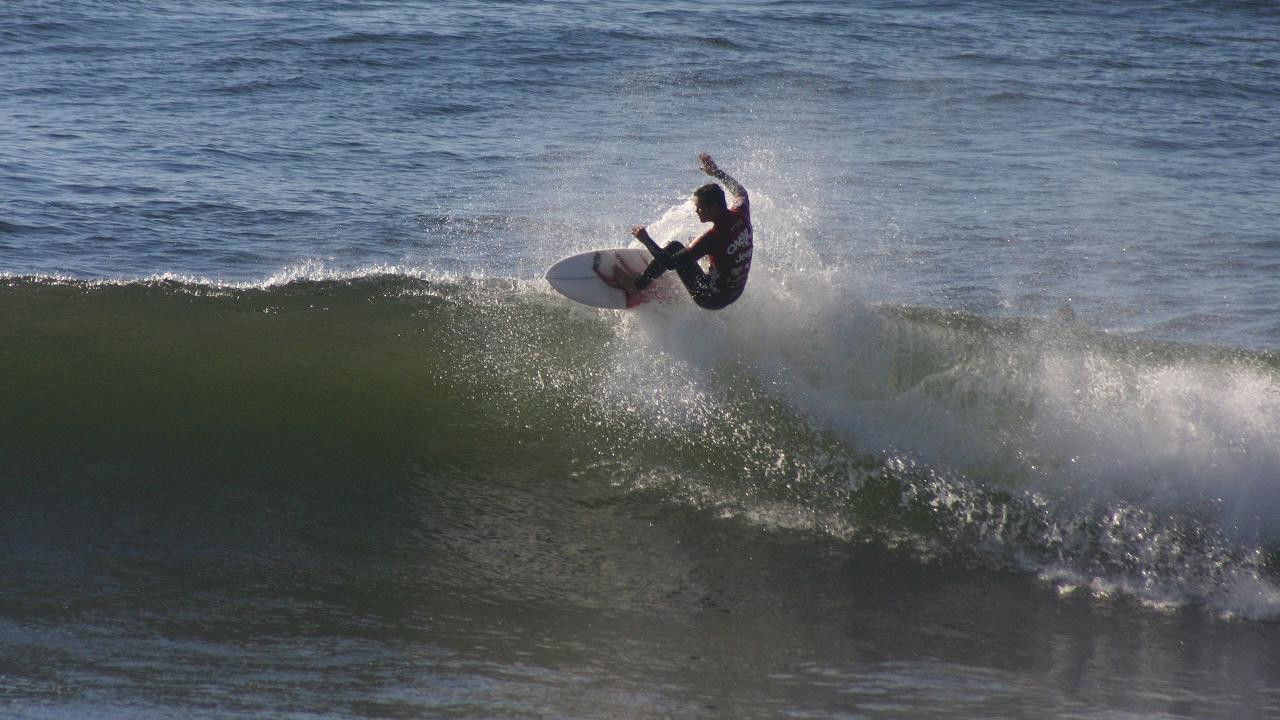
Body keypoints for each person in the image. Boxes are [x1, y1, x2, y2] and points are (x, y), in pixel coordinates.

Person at [628, 153, 753, 310]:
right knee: (692, 247)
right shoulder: (740, 212)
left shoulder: (713, 238)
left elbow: (670, 263)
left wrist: (645, 238)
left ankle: (638, 286)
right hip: (734, 293)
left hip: (710, 298)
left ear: (713, 207)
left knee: (674, 248)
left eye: (700, 207)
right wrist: (716, 172)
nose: (696, 210)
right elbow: (741, 191)